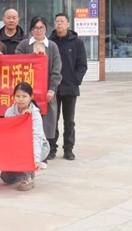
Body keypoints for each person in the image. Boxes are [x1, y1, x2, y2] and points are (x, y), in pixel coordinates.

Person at [15, 16, 62, 159]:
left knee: (47, 121)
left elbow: (56, 69)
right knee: (28, 119)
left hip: (46, 92)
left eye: (41, 28)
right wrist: (32, 57)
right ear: (31, 30)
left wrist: (52, 89)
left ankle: (46, 151)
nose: (38, 31)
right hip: (27, 92)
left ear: (46, 29)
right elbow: (16, 61)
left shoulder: (52, 46)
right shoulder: (24, 44)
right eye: (35, 28)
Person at [48, 13, 88, 160]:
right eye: (57, 21)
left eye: (62, 21)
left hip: (70, 87)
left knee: (69, 121)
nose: (59, 24)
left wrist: (76, 80)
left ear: (68, 24)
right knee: (53, 119)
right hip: (53, 88)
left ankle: (68, 149)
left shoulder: (77, 42)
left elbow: (82, 65)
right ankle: (51, 148)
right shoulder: (49, 42)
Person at [0, 82, 49, 191]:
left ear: (31, 97)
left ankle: (27, 177)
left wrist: (35, 159)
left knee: (25, 153)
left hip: (37, 148)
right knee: (6, 178)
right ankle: (24, 171)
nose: (20, 99)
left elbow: (36, 137)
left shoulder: (35, 114)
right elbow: (8, 135)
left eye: (24, 96)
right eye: (18, 96)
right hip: (16, 147)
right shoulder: (9, 112)